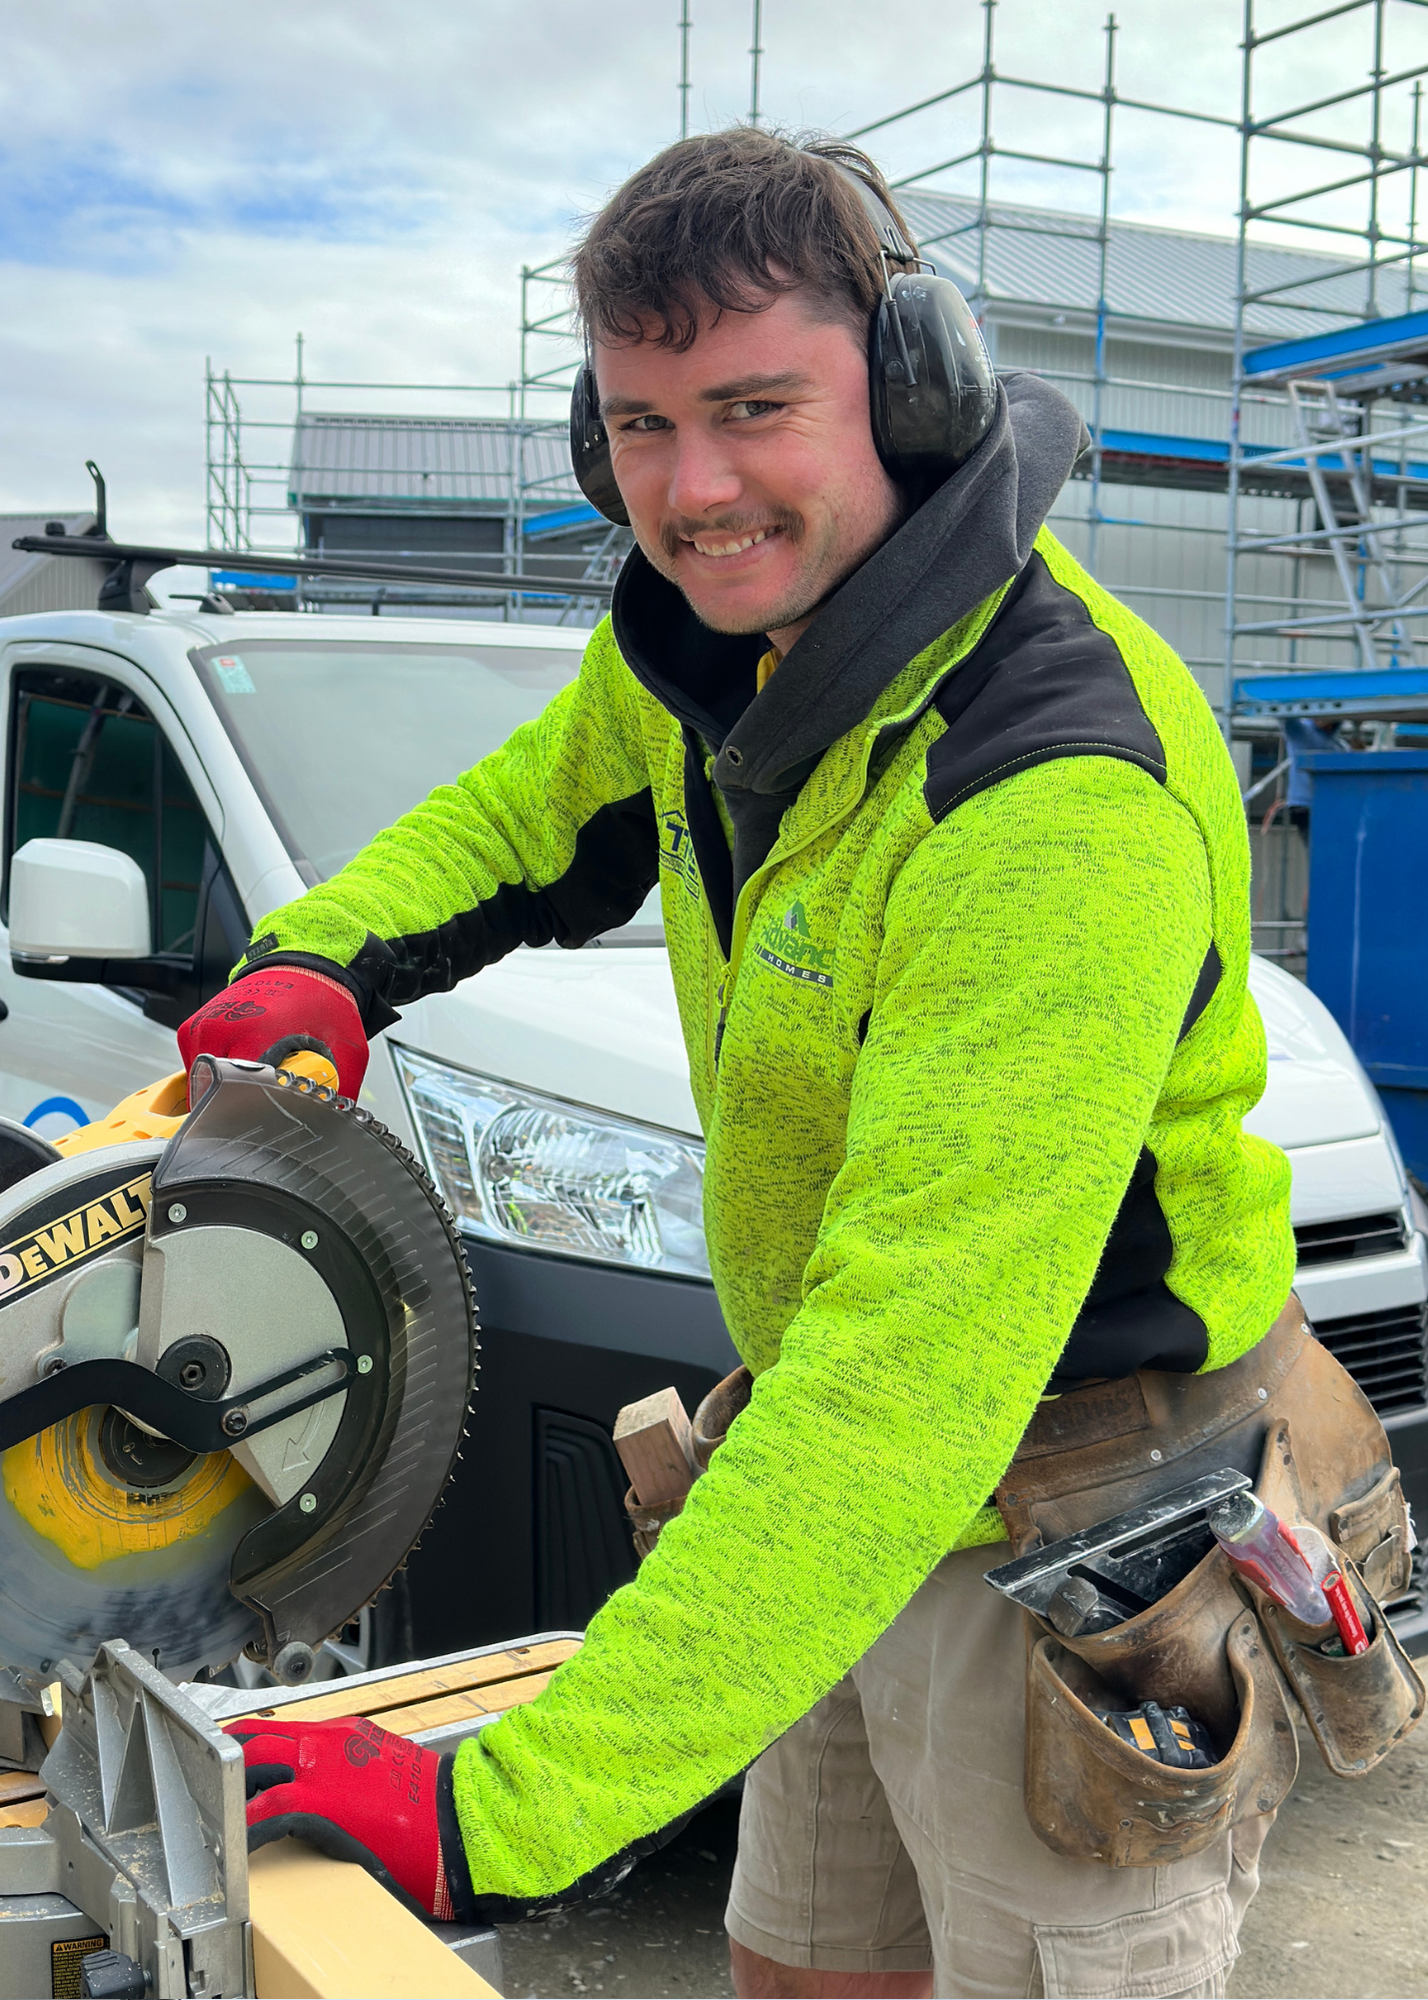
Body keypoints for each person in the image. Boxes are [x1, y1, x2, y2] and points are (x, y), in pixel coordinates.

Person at [187, 131, 1308, 1999]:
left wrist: (498, 1804)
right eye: (637, 424)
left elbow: (910, 1383)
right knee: (801, 1970)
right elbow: (529, 810)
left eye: (754, 407)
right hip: (813, 1493)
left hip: (1064, 1503)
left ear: (919, 383)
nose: (690, 489)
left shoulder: (1051, 797)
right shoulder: (736, 646)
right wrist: (322, 963)